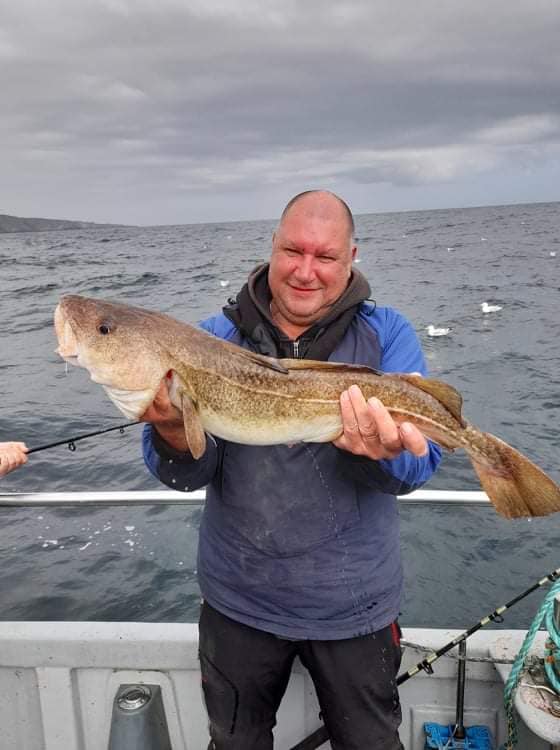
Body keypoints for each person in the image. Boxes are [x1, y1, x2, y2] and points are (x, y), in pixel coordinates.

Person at [141, 190, 442, 750]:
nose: (306, 271)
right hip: (238, 603)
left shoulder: (388, 335)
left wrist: (382, 454)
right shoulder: (211, 339)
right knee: (235, 742)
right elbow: (183, 475)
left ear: (352, 256)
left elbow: (421, 466)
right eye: (292, 250)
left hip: (355, 607)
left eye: (325, 256)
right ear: (272, 248)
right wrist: (172, 432)